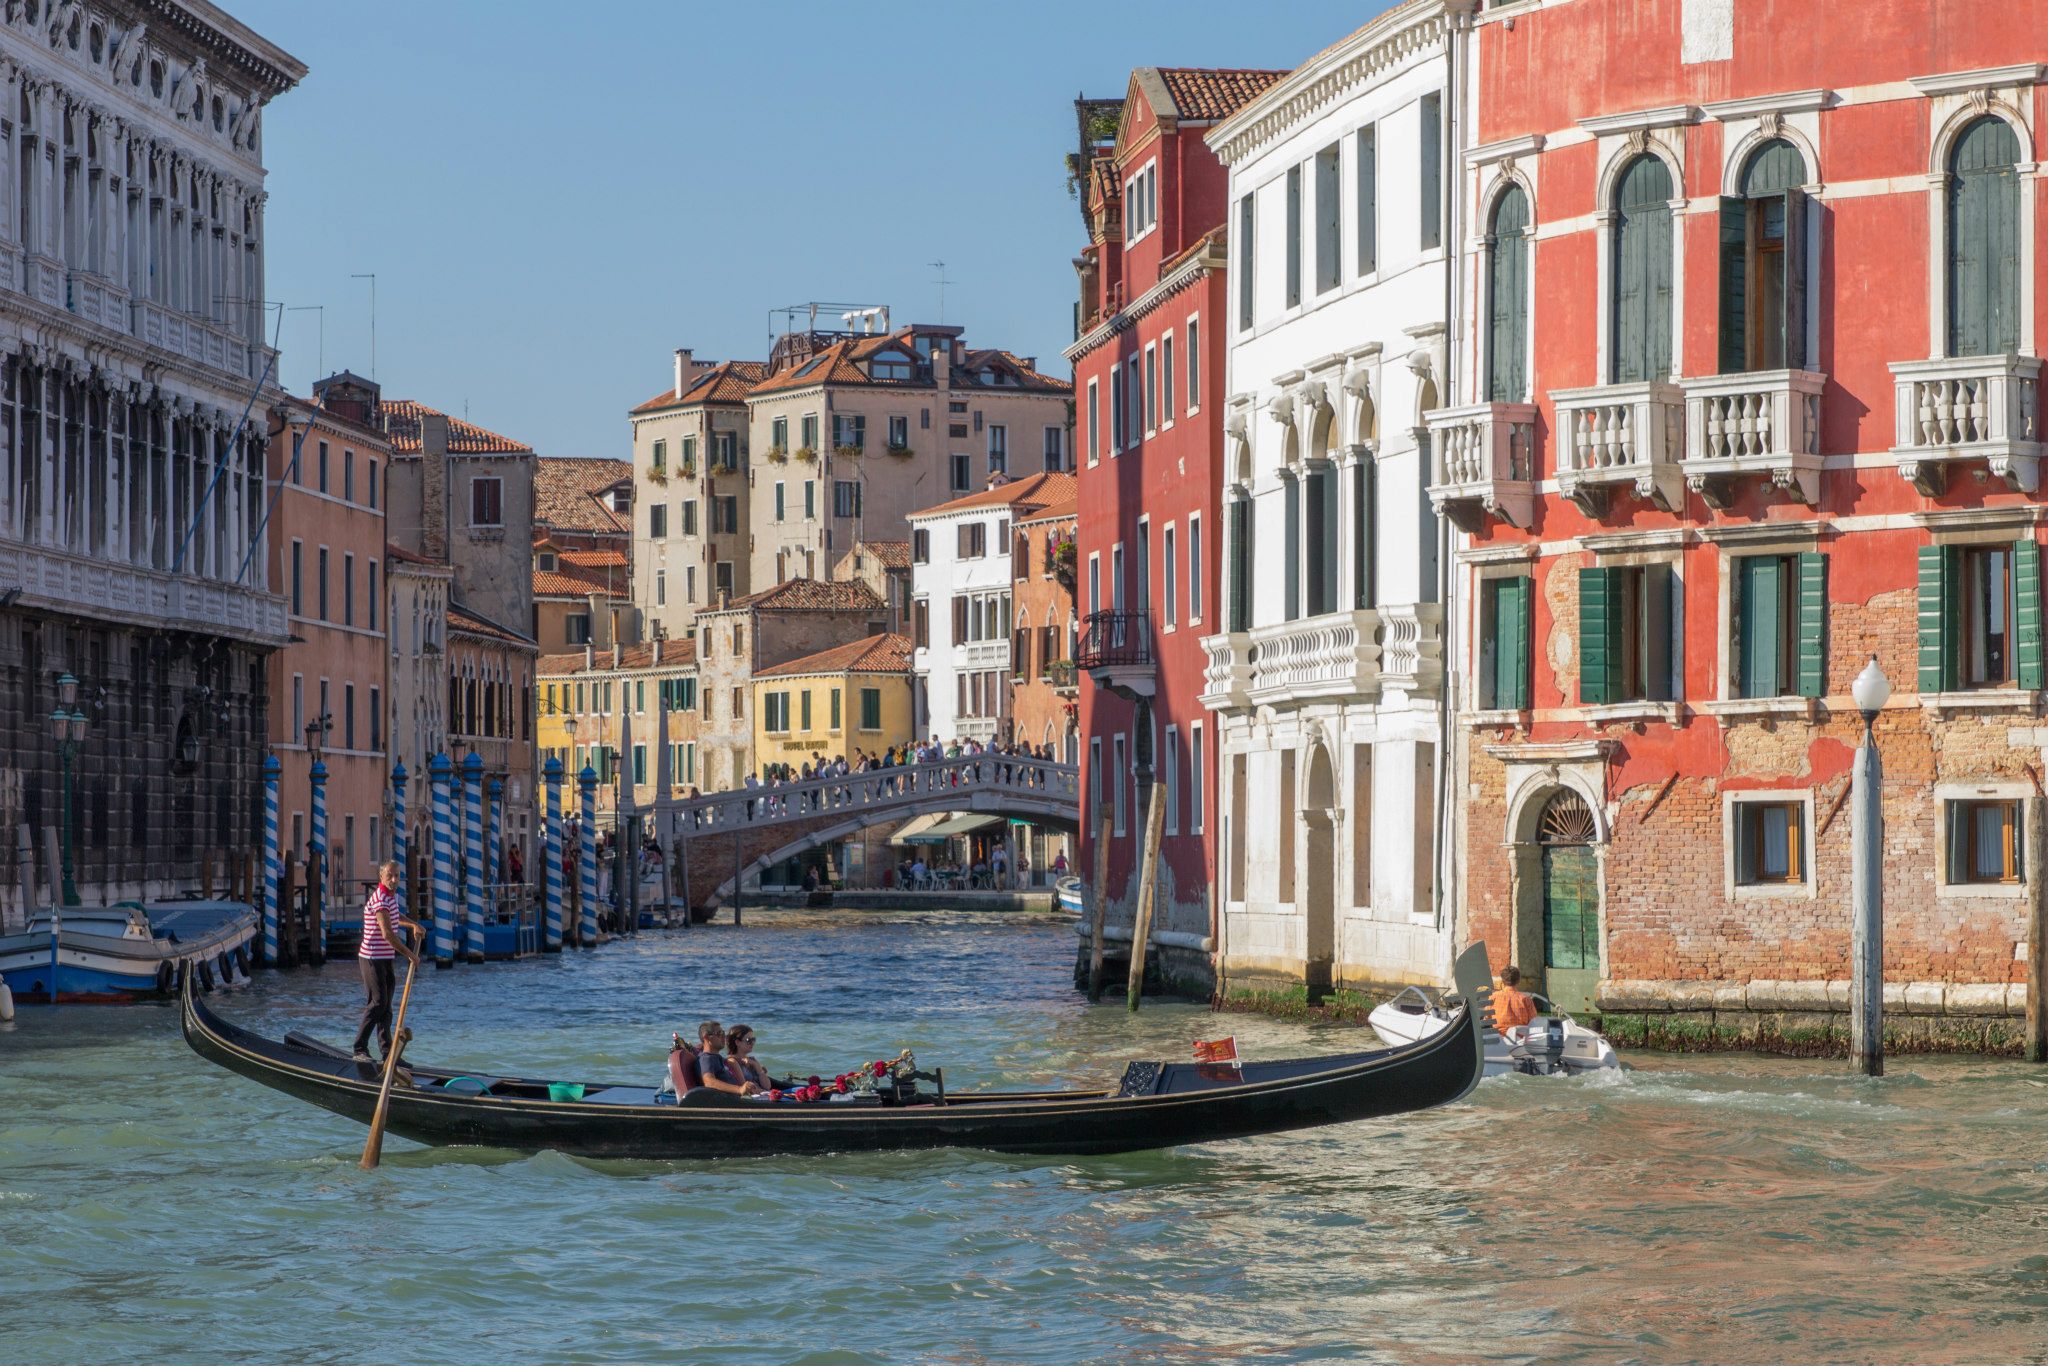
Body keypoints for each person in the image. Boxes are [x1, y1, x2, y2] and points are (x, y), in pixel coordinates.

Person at [352, 861, 422, 1064]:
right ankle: (359, 1048)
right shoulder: (380, 898)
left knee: (387, 1006)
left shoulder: (391, 898)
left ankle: (388, 1053)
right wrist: (410, 954)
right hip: (371, 957)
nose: (394, 880)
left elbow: (394, 917)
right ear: (381, 877)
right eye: (390, 876)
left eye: (397, 876)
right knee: (378, 1002)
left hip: (384, 957)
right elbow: (387, 933)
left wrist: (413, 924)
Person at [693, 1021, 758, 1096]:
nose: (723, 1036)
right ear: (707, 1037)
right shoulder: (706, 1058)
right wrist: (739, 1089)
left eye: (723, 1033)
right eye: (719, 1033)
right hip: (730, 1103)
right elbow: (709, 1081)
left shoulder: (717, 1057)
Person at [726, 1023, 774, 1093]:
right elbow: (746, 1089)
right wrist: (770, 1093)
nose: (752, 1043)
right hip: (756, 1098)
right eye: (749, 1040)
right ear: (737, 1042)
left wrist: (757, 1066)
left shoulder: (752, 1060)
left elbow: (767, 1086)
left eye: (753, 1039)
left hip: (763, 1095)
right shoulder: (732, 1062)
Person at [1492, 966, 1539, 1034]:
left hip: (1498, 1038)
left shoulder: (1493, 997)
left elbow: (1486, 1018)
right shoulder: (1525, 999)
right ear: (1518, 981)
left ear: (1502, 981)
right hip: (1519, 1039)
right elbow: (1534, 1022)